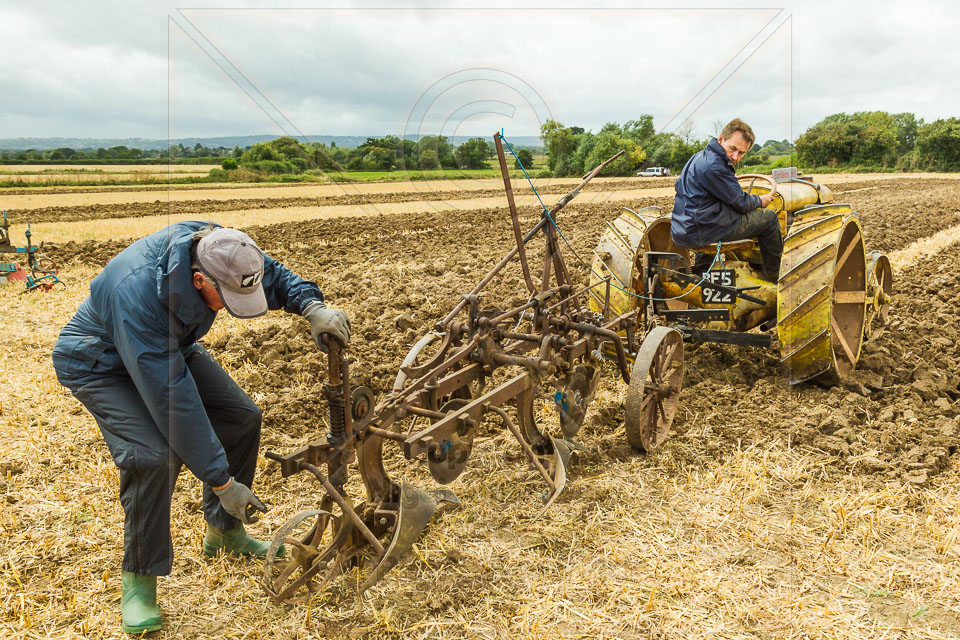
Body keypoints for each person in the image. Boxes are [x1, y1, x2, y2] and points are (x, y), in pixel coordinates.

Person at [51, 221, 350, 634]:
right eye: (225, 298)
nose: (230, 306)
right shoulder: (137, 296)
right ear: (198, 280)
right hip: (100, 362)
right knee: (152, 457)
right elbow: (175, 404)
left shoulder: (218, 245)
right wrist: (222, 483)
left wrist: (311, 306)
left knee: (242, 416)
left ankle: (224, 535)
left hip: (167, 345)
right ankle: (139, 581)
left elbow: (270, 274)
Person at [670, 118, 781, 281]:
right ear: (721, 139)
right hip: (702, 231)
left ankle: (702, 274)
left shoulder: (699, 157)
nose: (735, 156)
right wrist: (760, 200)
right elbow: (742, 204)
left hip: (685, 228)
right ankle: (775, 277)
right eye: (733, 149)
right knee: (769, 218)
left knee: (715, 218)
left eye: (741, 153)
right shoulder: (716, 166)